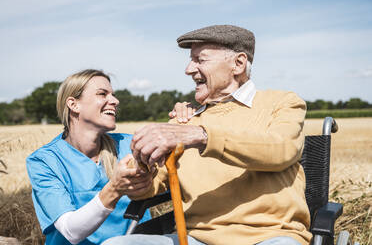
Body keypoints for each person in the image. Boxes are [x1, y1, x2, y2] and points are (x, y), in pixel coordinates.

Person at [103, 25, 312, 245]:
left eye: (200, 60)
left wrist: (200, 135)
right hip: (196, 239)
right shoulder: (184, 122)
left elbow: (281, 150)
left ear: (238, 64)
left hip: (270, 236)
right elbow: (156, 184)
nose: (188, 69)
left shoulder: (282, 103)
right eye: (190, 60)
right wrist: (139, 179)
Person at [26, 69, 156, 245]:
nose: (115, 101)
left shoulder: (129, 144)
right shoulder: (45, 161)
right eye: (102, 94)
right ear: (74, 104)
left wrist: (186, 118)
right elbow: (70, 231)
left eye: (113, 94)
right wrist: (115, 189)